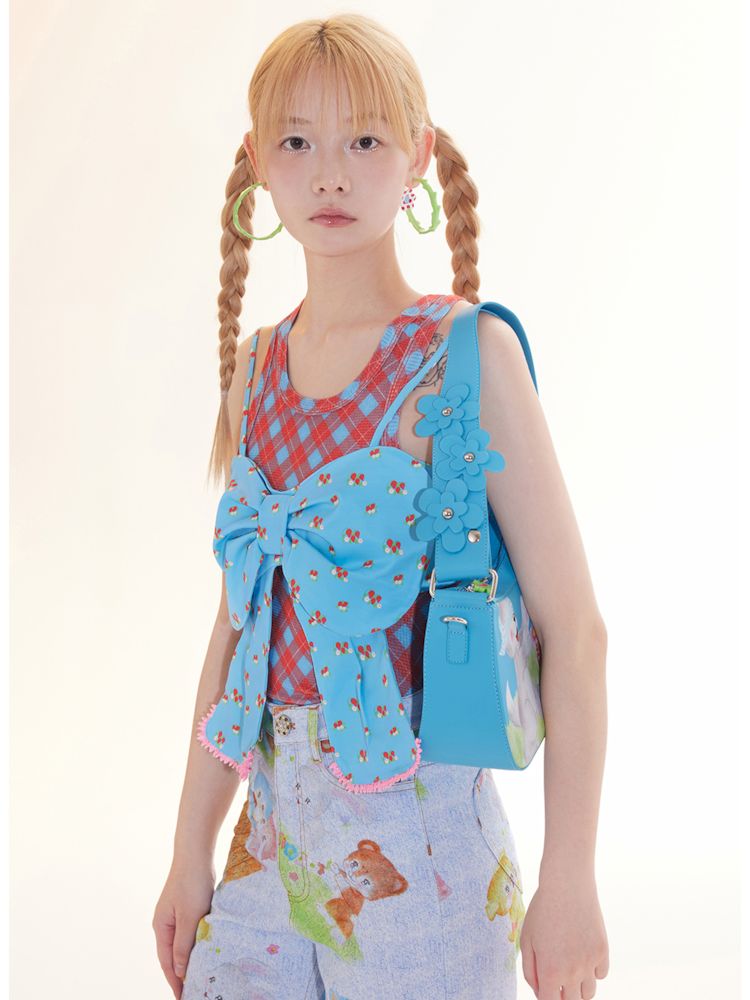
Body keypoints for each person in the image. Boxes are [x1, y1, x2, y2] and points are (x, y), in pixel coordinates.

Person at [152, 13, 610, 1000]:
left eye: (363, 139)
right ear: (257, 165)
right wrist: (189, 849)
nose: (330, 175)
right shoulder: (255, 371)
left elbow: (575, 629)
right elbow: (236, 628)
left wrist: (571, 875)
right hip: (264, 843)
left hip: (423, 849)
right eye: (297, 141)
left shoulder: (466, 355)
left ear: (418, 158)